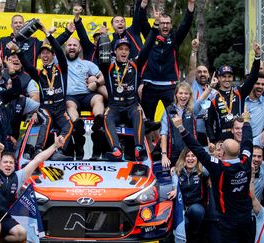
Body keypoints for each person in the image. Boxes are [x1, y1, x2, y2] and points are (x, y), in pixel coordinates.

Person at [0, 113, 65, 243]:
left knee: (21, 233)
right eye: (5, 162)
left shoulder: (18, 177)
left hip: (4, 217)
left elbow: (37, 159)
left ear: (14, 166)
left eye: (11, 163)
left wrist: (55, 146)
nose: (8, 165)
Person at [172, 112, 255, 243]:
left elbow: (196, 148)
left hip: (228, 221)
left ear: (222, 152)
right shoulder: (246, 161)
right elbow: (248, 141)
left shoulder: (219, 167)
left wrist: (181, 128)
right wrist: (246, 122)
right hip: (247, 219)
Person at [11, 23, 73, 160]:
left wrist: (46, 32)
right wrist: (18, 51)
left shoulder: (62, 68)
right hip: (46, 108)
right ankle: (38, 149)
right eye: (42, 53)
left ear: (52, 55)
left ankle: (59, 151)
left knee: (68, 125)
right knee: (46, 120)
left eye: (47, 53)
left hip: (60, 109)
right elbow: (27, 65)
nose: (45, 55)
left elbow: (59, 49)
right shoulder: (39, 73)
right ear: (39, 57)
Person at [101, 20, 159, 161]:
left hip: (131, 106)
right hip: (114, 106)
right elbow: (101, 52)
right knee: (107, 117)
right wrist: (103, 37)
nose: (124, 52)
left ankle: (139, 148)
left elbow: (146, 47)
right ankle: (115, 149)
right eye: (121, 49)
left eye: (126, 49)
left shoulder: (134, 64)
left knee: (138, 112)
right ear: (115, 51)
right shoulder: (108, 67)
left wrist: (155, 27)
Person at [139, 0, 195, 121]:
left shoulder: (175, 38)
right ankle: (149, 141)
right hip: (150, 84)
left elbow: (185, 25)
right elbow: (142, 21)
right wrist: (143, 5)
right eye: (162, 23)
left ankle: (173, 140)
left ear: (171, 25)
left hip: (169, 86)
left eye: (167, 23)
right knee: (147, 121)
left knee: (174, 119)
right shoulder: (151, 35)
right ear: (158, 24)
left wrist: (190, 6)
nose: (165, 26)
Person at [206, 42, 261, 143]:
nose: (227, 79)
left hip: (239, 135)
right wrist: (213, 141)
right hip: (222, 138)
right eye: (224, 76)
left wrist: (257, 57)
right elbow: (209, 123)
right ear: (218, 78)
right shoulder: (213, 96)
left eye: (229, 76)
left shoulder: (239, 91)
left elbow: (253, 77)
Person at [64, 37, 106, 159]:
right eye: (69, 45)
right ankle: (77, 124)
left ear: (80, 48)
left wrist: (96, 83)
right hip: (71, 97)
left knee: (98, 98)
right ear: (65, 47)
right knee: (69, 105)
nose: (72, 47)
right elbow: (48, 48)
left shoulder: (87, 64)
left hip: (87, 94)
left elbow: (102, 77)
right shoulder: (59, 61)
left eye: (74, 45)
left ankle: (98, 121)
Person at [160, 80, 216, 167]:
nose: (183, 96)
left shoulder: (192, 110)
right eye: (181, 93)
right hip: (174, 153)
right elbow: (164, 134)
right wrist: (164, 155)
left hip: (191, 154)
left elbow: (201, 100)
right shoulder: (168, 111)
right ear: (176, 94)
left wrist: (210, 87)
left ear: (190, 96)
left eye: (186, 93)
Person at [0, 14, 74, 66]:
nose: (18, 25)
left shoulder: (33, 41)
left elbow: (52, 45)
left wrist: (67, 33)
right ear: (11, 25)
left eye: (20, 23)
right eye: (15, 23)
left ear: (24, 25)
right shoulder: (3, 41)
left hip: (28, 80)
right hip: (8, 81)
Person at [172, 148, 209, 243]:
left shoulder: (201, 171)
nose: (190, 158)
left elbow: (212, 167)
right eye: (187, 156)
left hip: (196, 205)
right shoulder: (177, 172)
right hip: (181, 207)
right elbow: (174, 181)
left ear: (197, 158)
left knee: (197, 211)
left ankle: (195, 235)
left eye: (193, 156)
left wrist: (212, 152)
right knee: (185, 223)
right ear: (183, 159)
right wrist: (175, 188)